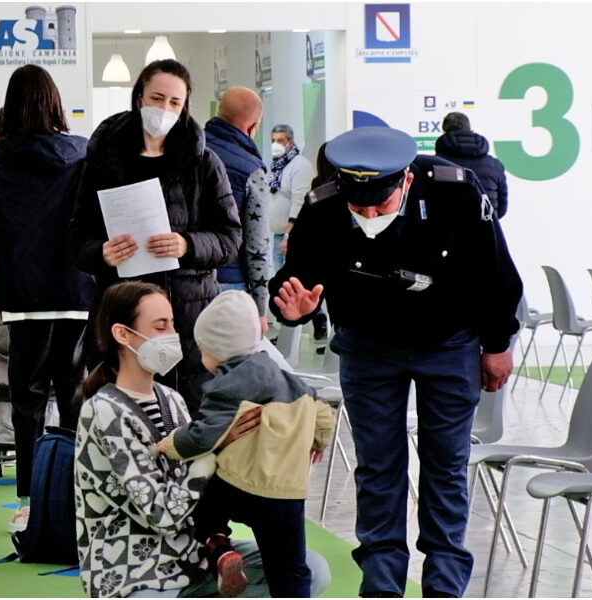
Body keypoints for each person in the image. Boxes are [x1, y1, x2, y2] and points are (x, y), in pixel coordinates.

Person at [269, 126, 522, 598]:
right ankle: (382, 586)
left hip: (449, 342)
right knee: (378, 465)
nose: (367, 215)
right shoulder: (325, 203)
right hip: (368, 348)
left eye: (378, 206)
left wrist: (497, 343)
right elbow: (293, 277)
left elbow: (497, 274)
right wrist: (289, 305)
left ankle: (445, 585)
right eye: (357, 207)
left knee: (446, 462)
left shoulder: (456, 190)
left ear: (404, 181)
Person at [74, 281, 331, 598]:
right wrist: (219, 447)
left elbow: (263, 372)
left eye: (172, 324)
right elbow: (162, 514)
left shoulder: (171, 399)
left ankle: (218, 554)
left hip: (193, 559)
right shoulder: (105, 411)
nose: (173, 334)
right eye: (160, 326)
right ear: (123, 335)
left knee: (313, 569)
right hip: (137, 575)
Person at [69, 59, 241, 416]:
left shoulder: (204, 163)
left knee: (187, 419)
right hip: (121, 309)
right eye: (157, 98)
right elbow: (76, 237)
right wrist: (101, 252)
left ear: (184, 107)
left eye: (174, 103)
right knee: (122, 415)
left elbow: (229, 237)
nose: (164, 109)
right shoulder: (102, 161)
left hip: (188, 314)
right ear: (139, 98)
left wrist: (188, 245)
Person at [0, 65, 96, 532]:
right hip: (75, 284)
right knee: (74, 391)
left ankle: (29, 499)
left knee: (26, 397)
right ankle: (77, 494)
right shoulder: (82, 151)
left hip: (23, 289)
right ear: (56, 101)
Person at [155, 290, 335, 598]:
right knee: (290, 568)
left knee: (204, 509)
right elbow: (323, 413)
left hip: (238, 487)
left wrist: (168, 444)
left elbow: (203, 436)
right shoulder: (287, 378)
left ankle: (219, 548)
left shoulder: (226, 385)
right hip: (286, 496)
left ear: (216, 351)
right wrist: (318, 440)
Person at [203, 87, 272, 335]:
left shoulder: (187, 153)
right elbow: (257, 245)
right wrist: (261, 309)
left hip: (183, 280)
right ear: (253, 127)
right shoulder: (251, 169)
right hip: (229, 285)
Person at [268, 124, 325, 338]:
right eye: (273, 139)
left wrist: (290, 234)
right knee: (284, 284)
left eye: (280, 140)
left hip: (290, 233)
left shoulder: (299, 166)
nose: (276, 145)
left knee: (298, 285)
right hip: (278, 232)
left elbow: (300, 200)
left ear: (291, 141)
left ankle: (315, 320)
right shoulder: (278, 165)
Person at [434, 111, 509, 219]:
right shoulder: (495, 165)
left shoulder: (434, 165)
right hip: (486, 232)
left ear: (444, 132)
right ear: (469, 130)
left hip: (448, 232)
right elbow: (501, 209)